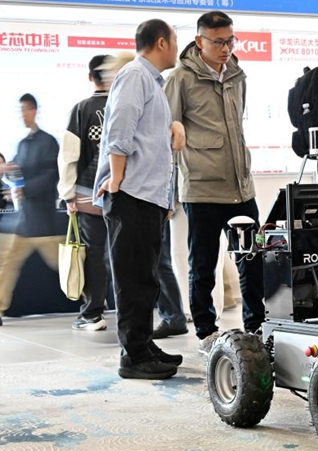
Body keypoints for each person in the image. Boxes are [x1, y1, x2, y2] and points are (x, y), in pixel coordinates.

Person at [163, 11, 263, 351]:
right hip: (202, 187)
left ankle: (257, 325)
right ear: (199, 41)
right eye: (218, 42)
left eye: (230, 40)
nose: (225, 48)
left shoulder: (238, 75)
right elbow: (170, 133)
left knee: (252, 258)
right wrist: (169, 190)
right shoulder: (179, 78)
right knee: (203, 263)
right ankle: (206, 331)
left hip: (240, 185)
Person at [94, 19, 185, 379]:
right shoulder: (135, 75)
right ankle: (133, 357)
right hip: (129, 194)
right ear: (161, 42)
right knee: (132, 279)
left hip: (147, 198)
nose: (177, 48)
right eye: (175, 41)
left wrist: (173, 126)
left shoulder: (151, 82)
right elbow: (120, 128)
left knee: (145, 279)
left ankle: (143, 344)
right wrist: (116, 179)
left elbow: (148, 134)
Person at [58, 54, 113, 331]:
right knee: (127, 254)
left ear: (91, 77)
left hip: (88, 196)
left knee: (93, 254)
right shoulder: (124, 107)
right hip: (124, 195)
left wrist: (68, 194)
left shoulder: (81, 109)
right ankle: (132, 313)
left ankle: (93, 314)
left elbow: (69, 155)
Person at [0, 94, 61, 327]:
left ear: (35, 110)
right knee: (7, 262)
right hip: (25, 221)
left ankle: (94, 302)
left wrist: (25, 190)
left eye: (26, 109)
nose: (23, 114)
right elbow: (17, 169)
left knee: (62, 266)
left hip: (44, 222)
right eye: (20, 110)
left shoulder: (48, 142)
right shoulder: (23, 144)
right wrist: (7, 170)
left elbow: (51, 175)